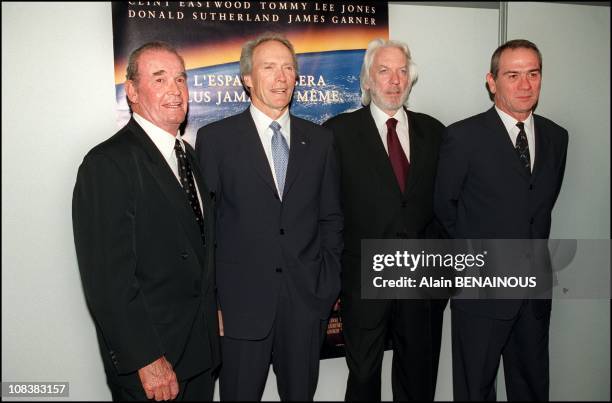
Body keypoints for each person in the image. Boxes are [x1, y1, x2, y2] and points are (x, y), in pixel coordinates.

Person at [195, 32, 342, 401]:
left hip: (305, 307)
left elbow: (331, 218)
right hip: (241, 309)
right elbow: (205, 231)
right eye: (269, 67)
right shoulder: (216, 140)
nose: (281, 77)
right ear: (247, 78)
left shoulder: (320, 141)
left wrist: (326, 287)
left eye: (288, 68)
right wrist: (212, 303)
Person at [72, 41, 219, 401]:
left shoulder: (189, 156)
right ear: (133, 93)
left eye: (181, 79)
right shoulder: (108, 163)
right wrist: (146, 359)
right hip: (154, 364)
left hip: (199, 354)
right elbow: (108, 279)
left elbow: (198, 249)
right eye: (160, 78)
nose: (175, 89)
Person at [434, 39, 568, 401]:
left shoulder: (557, 138)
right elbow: (444, 209)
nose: (525, 85)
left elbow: (538, 209)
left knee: (533, 385)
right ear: (492, 82)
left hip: (534, 292)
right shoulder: (462, 137)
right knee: (475, 388)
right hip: (481, 291)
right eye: (513, 75)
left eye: (533, 74)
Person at [323, 38, 448, 401]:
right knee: (363, 377)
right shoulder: (337, 134)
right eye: (384, 71)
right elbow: (328, 211)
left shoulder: (435, 132)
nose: (394, 80)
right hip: (363, 280)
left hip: (422, 280)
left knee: (418, 377)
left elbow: (446, 206)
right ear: (366, 80)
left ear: (410, 80)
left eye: (402, 71)